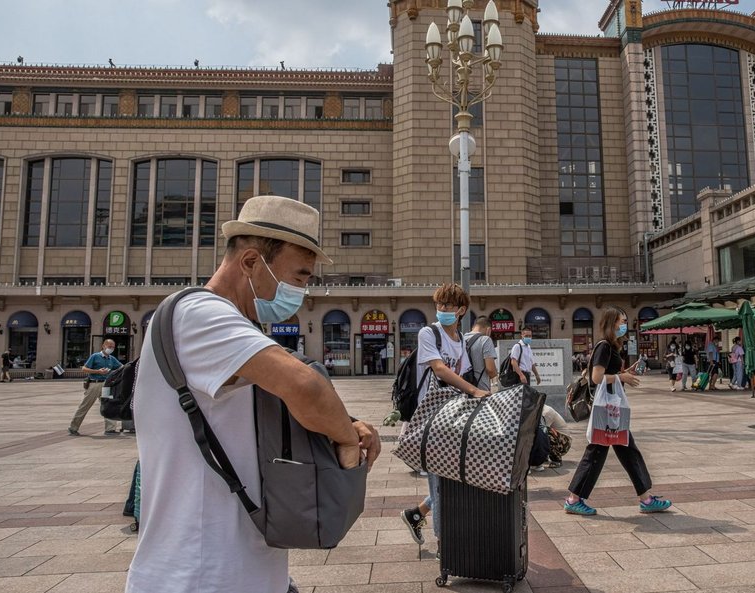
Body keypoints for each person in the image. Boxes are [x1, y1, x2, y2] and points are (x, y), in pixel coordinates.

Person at [126, 196, 381, 593]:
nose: (302, 291)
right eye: (299, 277)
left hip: (236, 568)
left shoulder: (229, 326)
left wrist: (343, 423)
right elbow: (304, 386)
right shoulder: (200, 315)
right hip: (198, 573)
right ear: (250, 262)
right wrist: (347, 441)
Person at [401, 283, 490, 548]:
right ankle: (445, 545)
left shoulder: (460, 339)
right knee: (440, 483)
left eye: (448, 306)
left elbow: (460, 374)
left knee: (453, 477)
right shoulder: (429, 333)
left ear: (461, 310)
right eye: (439, 305)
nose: (442, 310)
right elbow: (439, 369)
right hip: (431, 418)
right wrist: (475, 391)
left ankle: (415, 515)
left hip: (452, 417)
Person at [563, 308, 671, 516]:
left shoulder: (610, 347)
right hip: (607, 410)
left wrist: (623, 374)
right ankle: (573, 499)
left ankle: (646, 498)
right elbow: (596, 378)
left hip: (611, 409)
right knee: (598, 452)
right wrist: (622, 378)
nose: (625, 325)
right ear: (613, 323)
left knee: (627, 450)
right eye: (622, 321)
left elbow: (606, 374)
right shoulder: (604, 346)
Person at [68, 339, 123, 436]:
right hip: (95, 384)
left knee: (109, 405)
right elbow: (84, 369)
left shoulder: (111, 359)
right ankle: (73, 427)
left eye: (113, 347)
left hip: (106, 385)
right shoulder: (95, 356)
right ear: (103, 346)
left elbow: (121, 367)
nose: (111, 349)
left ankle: (110, 429)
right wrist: (98, 371)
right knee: (85, 405)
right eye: (109, 346)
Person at [463, 315, 498, 394]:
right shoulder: (485, 340)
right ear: (488, 330)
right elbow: (491, 370)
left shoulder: (461, 338)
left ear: (473, 327)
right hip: (481, 391)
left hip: (463, 389)